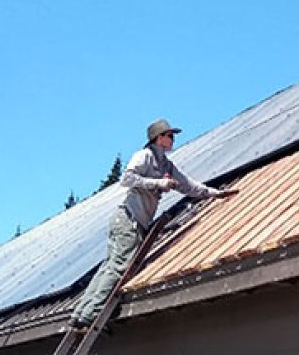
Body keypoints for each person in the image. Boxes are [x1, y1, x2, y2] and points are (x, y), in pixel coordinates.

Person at [68, 118, 238, 330]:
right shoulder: (145, 156)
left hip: (134, 222)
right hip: (128, 219)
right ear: (159, 138)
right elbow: (127, 178)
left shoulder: (166, 164)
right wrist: (158, 183)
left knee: (109, 266)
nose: (173, 139)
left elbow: (188, 186)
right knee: (119, 267)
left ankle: (81, 313)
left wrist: (215, 193)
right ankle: (90, 314)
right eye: (169, 135)